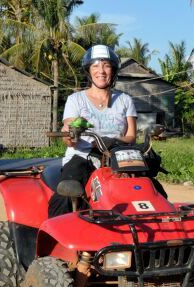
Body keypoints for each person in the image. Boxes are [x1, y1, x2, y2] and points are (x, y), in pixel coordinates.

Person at [48, 44, 137, 217]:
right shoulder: (76, 100)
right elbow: (69, 136)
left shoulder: (125, 100)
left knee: (152, 189)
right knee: (65, 195)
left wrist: (115, 141)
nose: (101, 71)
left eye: (106, 65)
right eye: (95, 65)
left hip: (118, 160)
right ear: (89, 70)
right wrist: (71, 134)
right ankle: (55, 236)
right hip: (82, 158)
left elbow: (131, 136)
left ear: (113, 70)